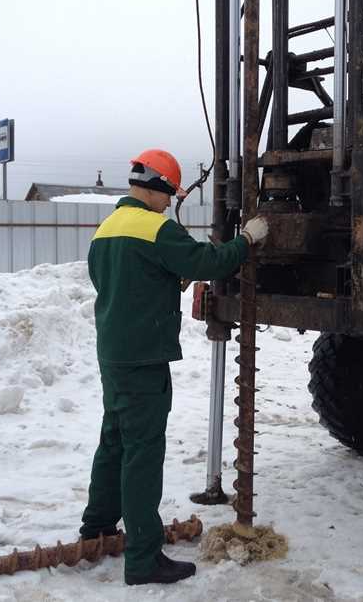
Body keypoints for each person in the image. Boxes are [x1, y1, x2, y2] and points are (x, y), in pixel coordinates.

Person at [78, 148, 268, 586]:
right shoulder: (155, 227)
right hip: (145, 358)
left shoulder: (106, 229)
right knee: (143, 452)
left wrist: (163, 280)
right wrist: (248, 239)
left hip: (114, 353)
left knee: (114, 440)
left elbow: (118, 282)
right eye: (170, 194)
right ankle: (143, 560)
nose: (170, 202)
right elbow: (209, 261)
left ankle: (98, 527)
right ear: (160, 186)